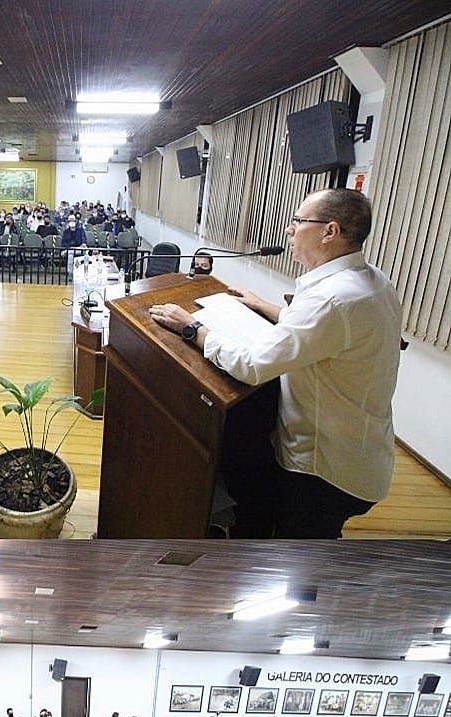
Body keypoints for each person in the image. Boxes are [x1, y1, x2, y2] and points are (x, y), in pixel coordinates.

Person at [148, 188, 402, 539]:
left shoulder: (332, 299)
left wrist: (192, 328)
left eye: (299, 221)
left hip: (324, 470)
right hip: (360, 454)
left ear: (330, 232)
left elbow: (252, 365)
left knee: (298, 566)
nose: (290, 229)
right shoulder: (371, 281)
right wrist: (264, 306)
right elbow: (320, 335)